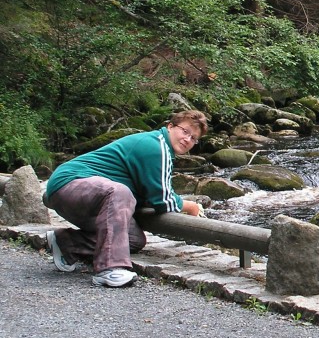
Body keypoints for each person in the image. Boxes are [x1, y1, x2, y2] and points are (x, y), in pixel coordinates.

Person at [43, 110, 208, 288]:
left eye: (193, 138)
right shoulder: (156, 146)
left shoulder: (162, 149)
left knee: (132, 239)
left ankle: (66, 242)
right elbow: (162, 200)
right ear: (170, 126)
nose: (187, 139)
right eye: (185, 131)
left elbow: (151, 194)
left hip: (85, 197)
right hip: (69, 182)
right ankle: (109, 269)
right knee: (120, 192)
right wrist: (191, 207)